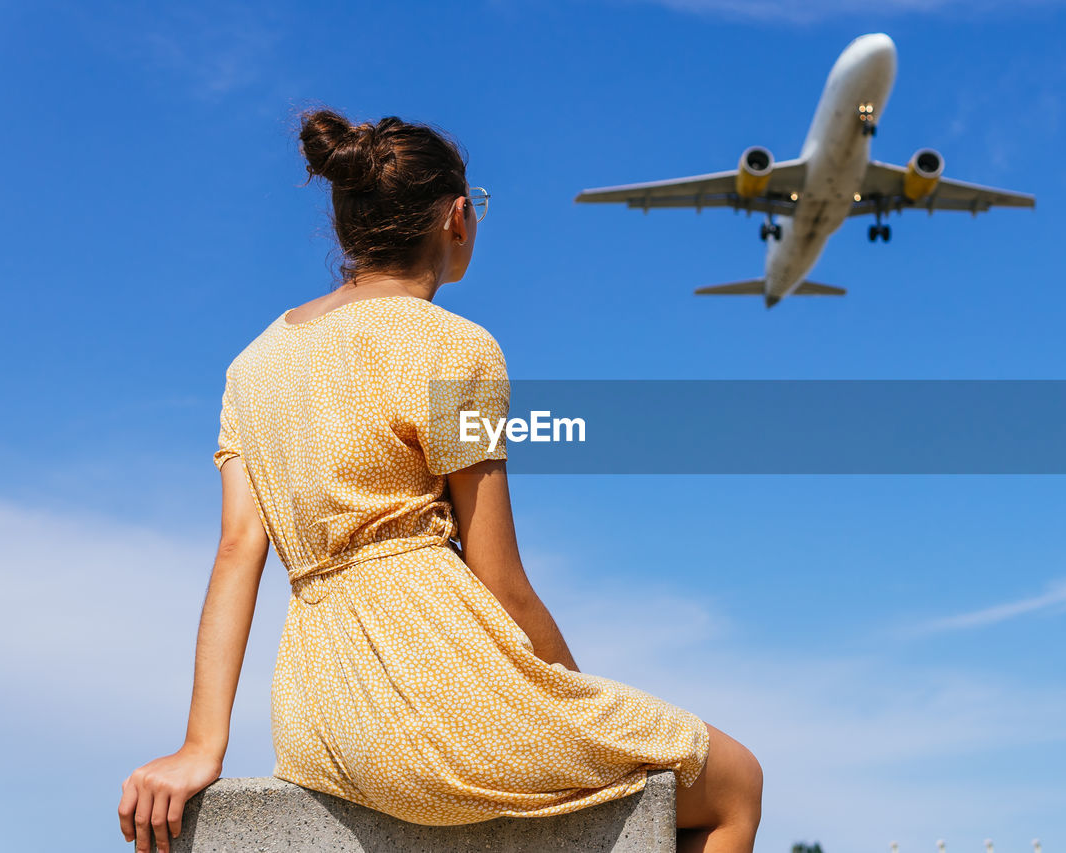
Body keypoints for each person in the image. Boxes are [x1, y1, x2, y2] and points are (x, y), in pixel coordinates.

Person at [117, 107, 763, 853]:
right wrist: (574, 692)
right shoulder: (460, 348)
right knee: (735, 783)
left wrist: (203, 744)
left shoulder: (252, 365)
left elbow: (237, 551)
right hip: (441, 691)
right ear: (458, 218)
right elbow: (499, 575)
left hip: (319, 718)